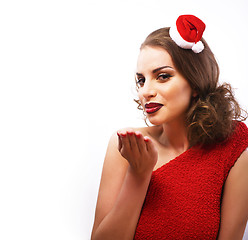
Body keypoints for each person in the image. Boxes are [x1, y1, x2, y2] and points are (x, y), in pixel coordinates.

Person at [91, 15, 248, 239]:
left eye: (162, 76)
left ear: (195, 82)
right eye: (141, 80)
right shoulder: (125, 145)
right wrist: (138, 175)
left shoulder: (233, 147)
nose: (145, 91)